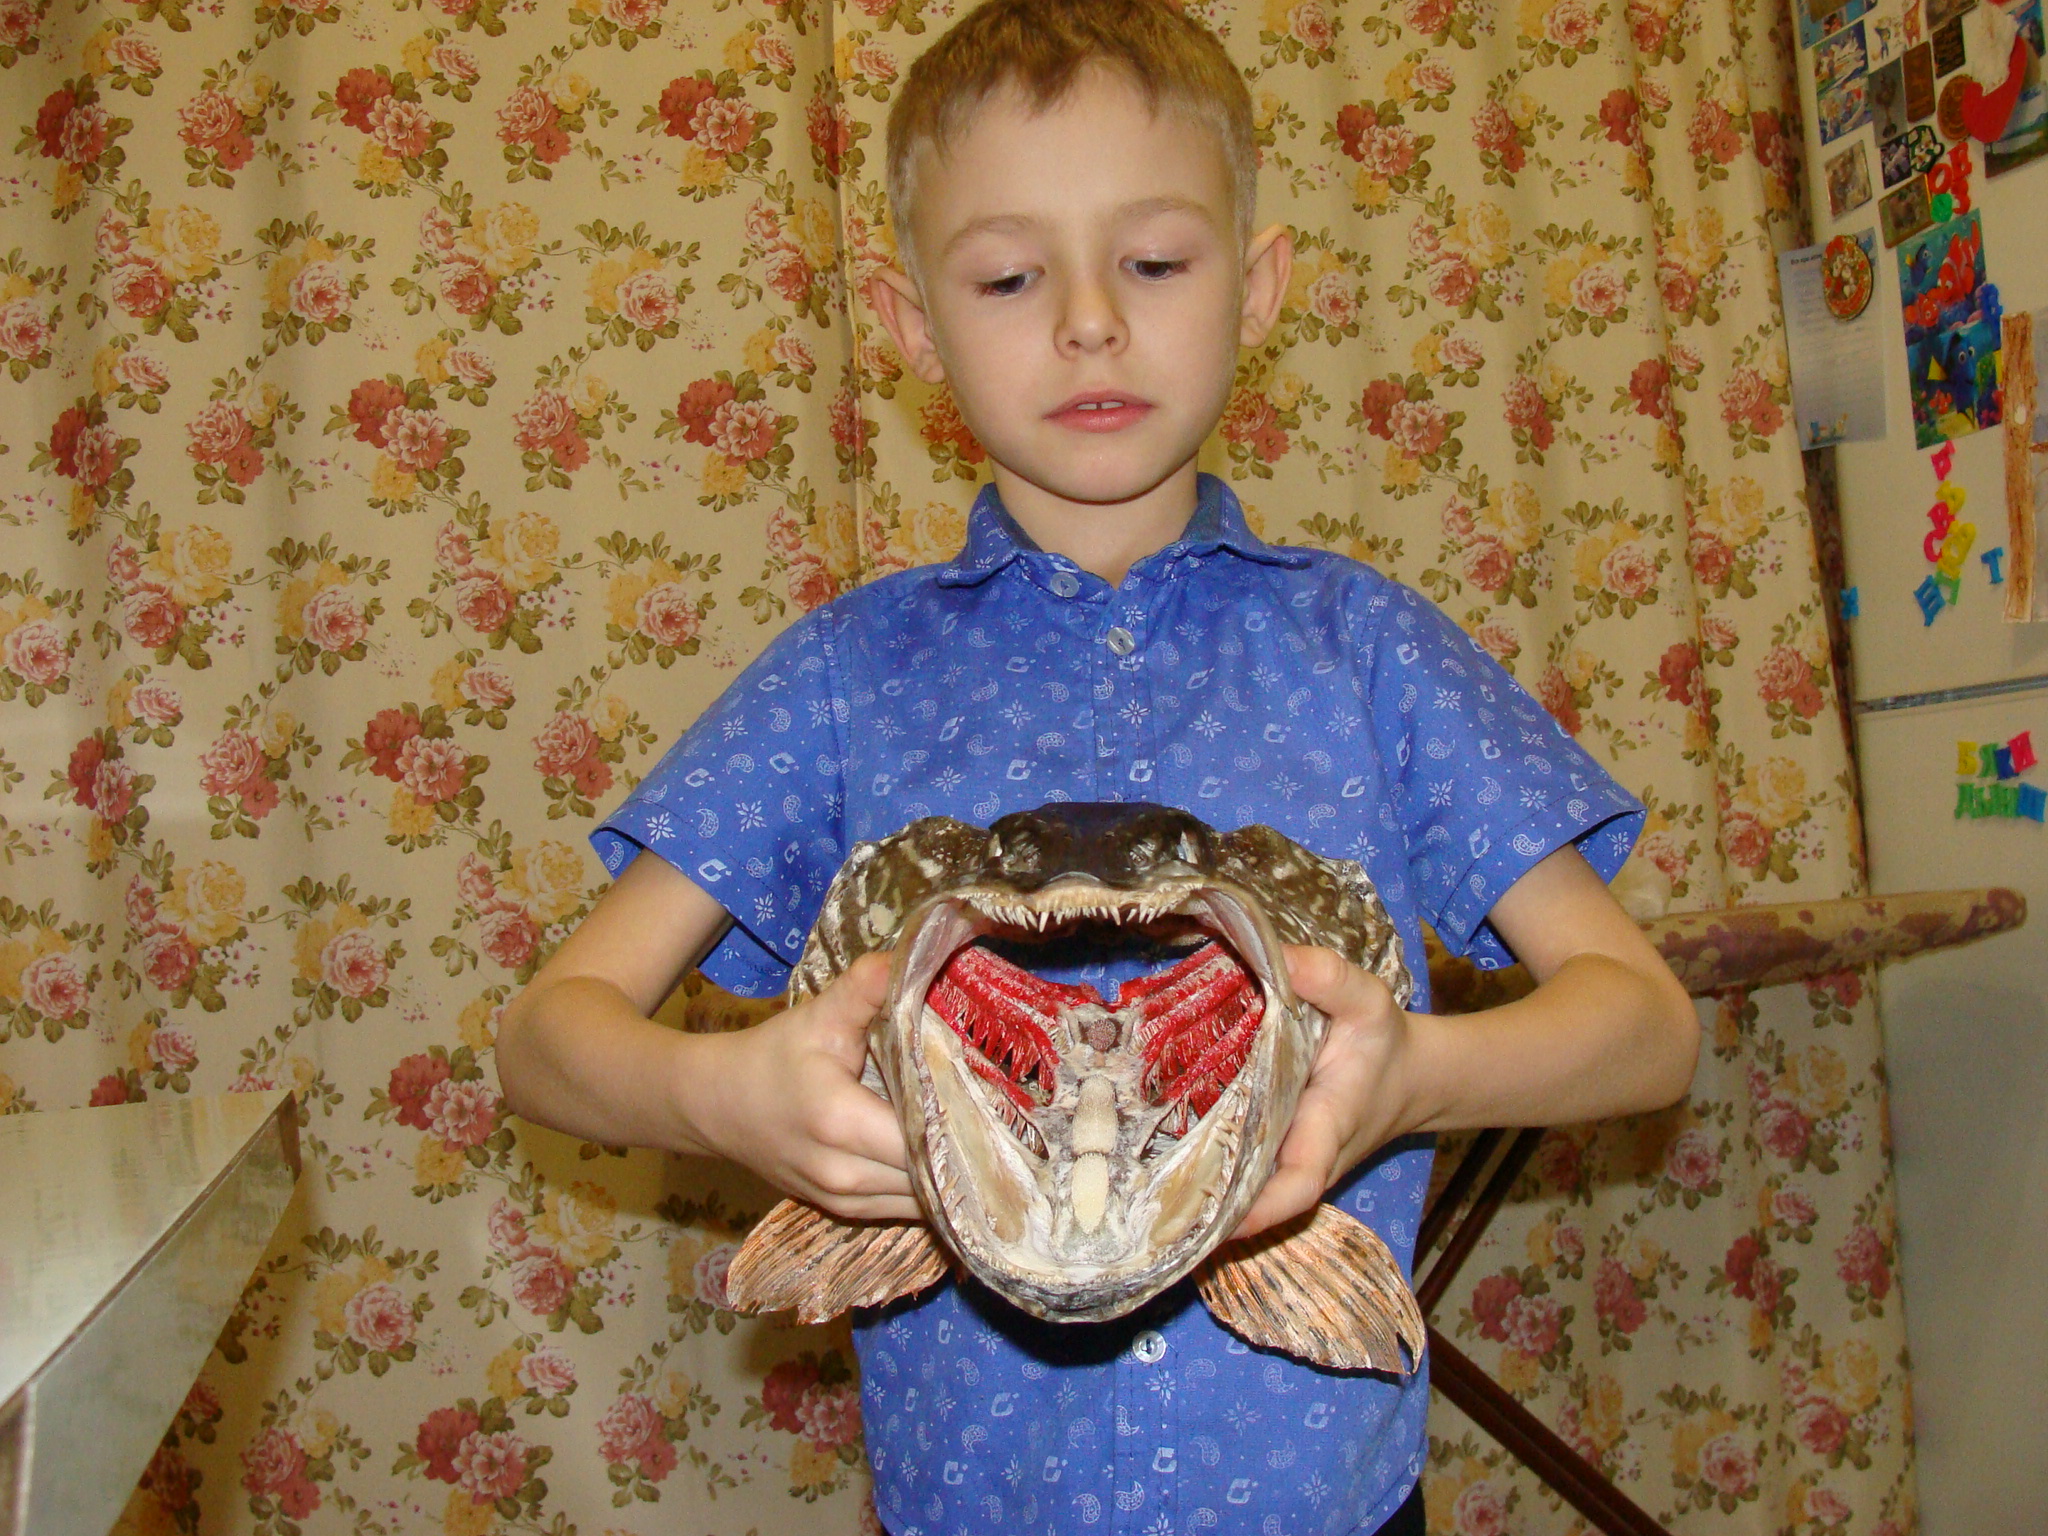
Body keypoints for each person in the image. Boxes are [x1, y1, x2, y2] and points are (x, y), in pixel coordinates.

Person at [495, 1, 1701, 1531]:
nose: (1087, 322)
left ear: (1258, 286)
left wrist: (1418, 1075)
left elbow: (1648, 1028)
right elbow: (543, 1039)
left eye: (1154, 262)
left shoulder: (1371, 650)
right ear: (914, 323)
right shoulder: (842, 678)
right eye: (1010, 276)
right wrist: (722, 1095)